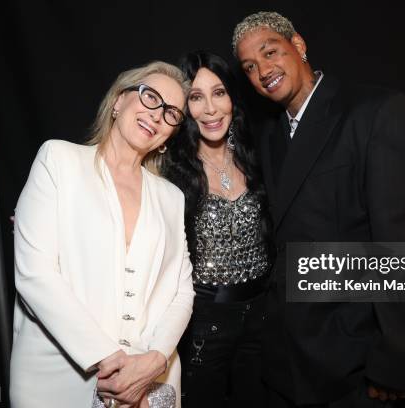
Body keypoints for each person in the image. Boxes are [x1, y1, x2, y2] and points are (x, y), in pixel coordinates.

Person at [232, 11, 405, 408]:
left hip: (351, 362)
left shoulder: (376, 112)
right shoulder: (269, 135)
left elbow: (401, 247)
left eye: (271, 52)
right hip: (283, 362)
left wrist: (395, 359)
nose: (263, 71)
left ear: (299, 46)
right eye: (250, 67)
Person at [10, 61, 195, 408]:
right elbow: (34, 273)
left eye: (171, 113)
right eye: (150, 97)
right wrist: (112, 362)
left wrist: (155, 359)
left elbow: (182, 291)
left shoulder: (171, 197)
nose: (158, 115)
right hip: (59, 378)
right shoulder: (59, 161)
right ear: (118, 101)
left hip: (150, 380)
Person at [161, 51, 272, 407]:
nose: (210, 109)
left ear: (233, 98)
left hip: (263, 317)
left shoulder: (258, 152)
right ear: (183, 106)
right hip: (202, 325)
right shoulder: (168, 168)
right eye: (196, 97)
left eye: (219, 93)